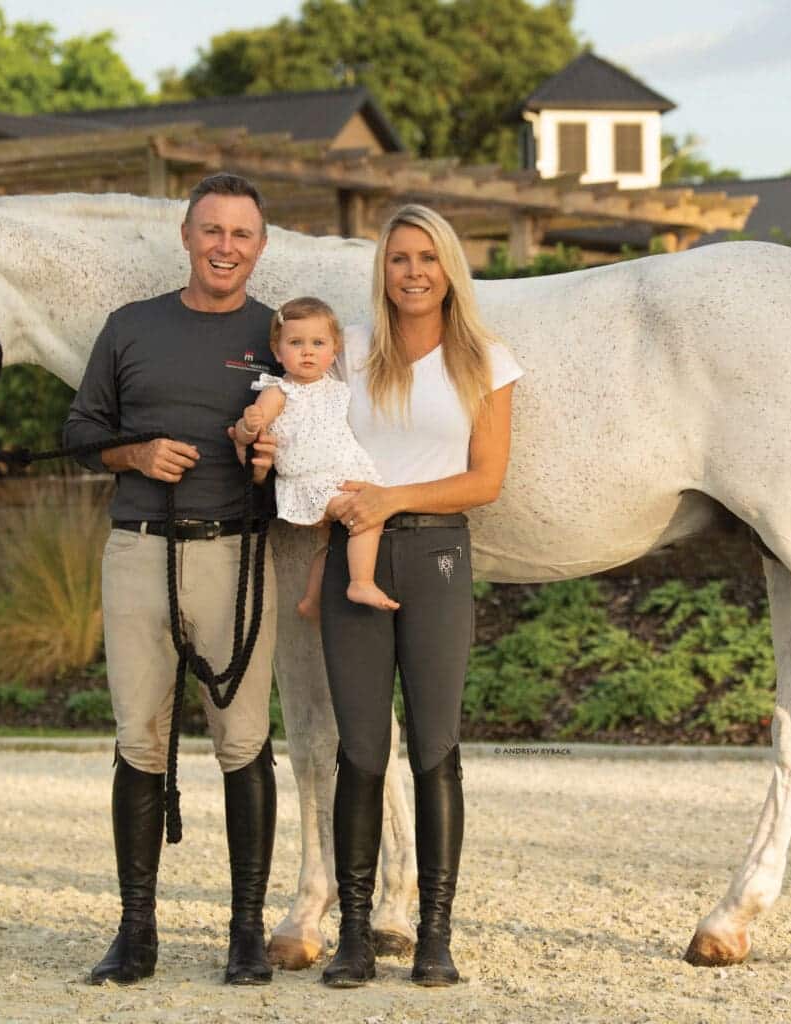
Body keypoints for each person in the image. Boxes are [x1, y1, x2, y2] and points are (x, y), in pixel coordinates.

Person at [64, 172, 280, 987]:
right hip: (138, 551)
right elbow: (81, 429)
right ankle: (135, 932)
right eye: (212, 230)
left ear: (261, 248)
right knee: (138, 741)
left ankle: (247, 933)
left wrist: (274, 454)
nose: (226, 246)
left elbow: (321, 428)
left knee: (244, 743)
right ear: (186, 237)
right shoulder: (130, 327)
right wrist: (136, 453)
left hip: (236, 556)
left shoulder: (279, 334)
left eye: (242, 234)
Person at [318, 204, 522, 988]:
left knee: (435, 748)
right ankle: (355, 935)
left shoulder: (486, 361)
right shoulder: (354, 352)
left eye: (427, 257)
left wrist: (390, 497)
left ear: (449, 269)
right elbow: (314, 433)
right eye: (399, 257)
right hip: (349, 560)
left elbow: (486, 479)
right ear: (384, 269)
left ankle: (435, 932)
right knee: (361, 750)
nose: (413, 271)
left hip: (435, 556)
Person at [234, 296, 398, 617]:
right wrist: (247, 424)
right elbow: (247, 432)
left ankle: (311, 600)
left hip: (341, 472)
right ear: (278, 351)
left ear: (334, 349)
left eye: (318, 343)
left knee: (332, 543)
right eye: (296, 343)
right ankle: (360, 581)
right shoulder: (278, 391)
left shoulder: (336, 387)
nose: (307, 351)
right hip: (308, 479)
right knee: (363, 515)